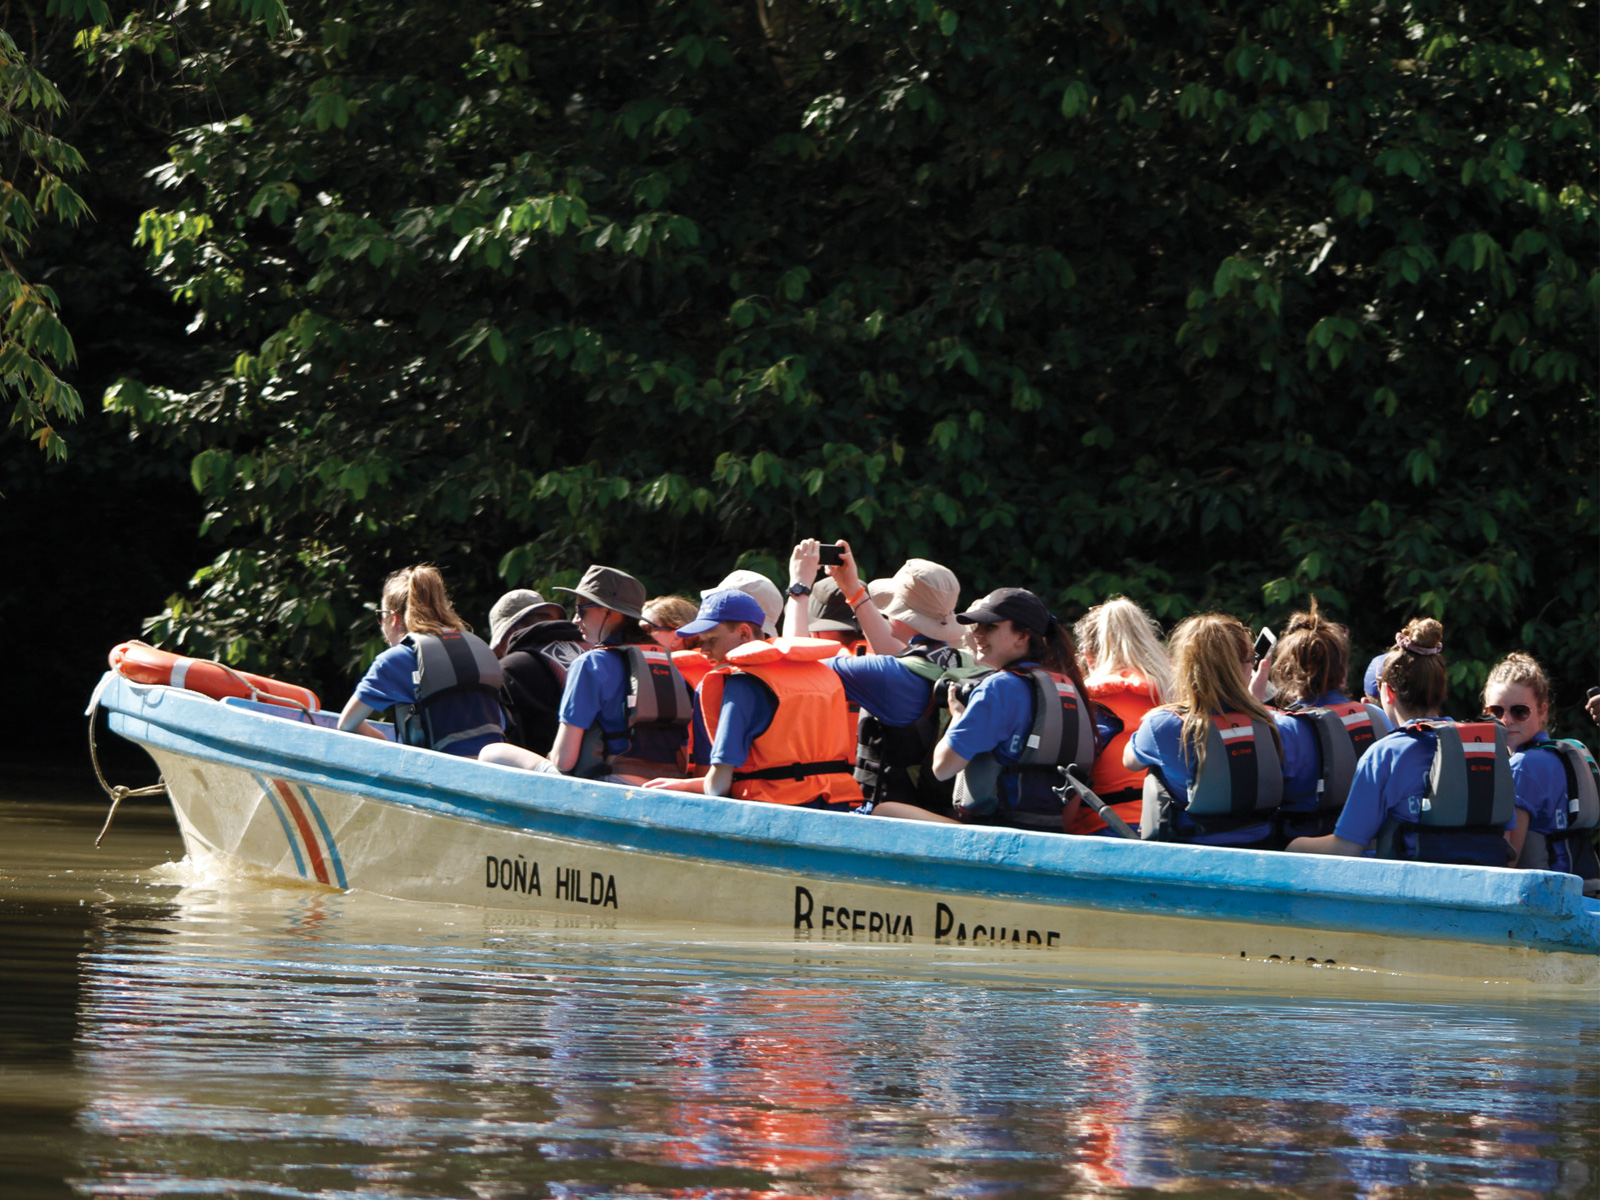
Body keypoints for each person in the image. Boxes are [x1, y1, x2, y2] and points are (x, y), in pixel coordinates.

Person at [1287, 619, 1516, 865]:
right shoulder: (1486, 746)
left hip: (1413, 894)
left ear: (1389, 691)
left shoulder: (1386, 754)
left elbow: (1346, 848)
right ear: (1441, 688)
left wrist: (1292, 845)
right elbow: (1507, 841)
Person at [873, 587, 1093, 831]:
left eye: (990, 626)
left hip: (993, 833)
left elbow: (943, 768)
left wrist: (957, 716)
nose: (977, 634)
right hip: (1050, 830)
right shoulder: (1066, 687)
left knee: (884, 810)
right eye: (976, 626)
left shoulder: (1001, 686)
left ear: (1022, 637)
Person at [645, 589, 864, 808]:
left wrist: (681, 787)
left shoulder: (742, 681)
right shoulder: (821, 672)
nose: (704, 650)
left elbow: (717, 786)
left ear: (743, 633)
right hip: (835, 803)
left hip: (773, 807)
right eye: (701, 641)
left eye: (712, 639)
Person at [481, 565, 692, 782]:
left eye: (581, 609)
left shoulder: (590, 664)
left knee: (493, 752)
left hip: (609, 784)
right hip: (667, 782)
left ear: (608, 612)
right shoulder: (668, 664)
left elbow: (564, 761)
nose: (575, 620)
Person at [1124, 613, 1298, 848]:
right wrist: (1252, 704)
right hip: (1263, 848)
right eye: (1251, 660)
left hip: (1192, 854)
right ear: (1241, 668)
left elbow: (1130, 762)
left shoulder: (1164, 725)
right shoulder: (1275, 723)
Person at [338, 565, 506, 756]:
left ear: (393, 618)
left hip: (441, 772)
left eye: (380, 616)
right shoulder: (480, 648)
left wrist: (386, 744)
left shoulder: (396, 659)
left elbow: (347, 724)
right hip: (491, 767)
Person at [1268, 599, 1392, 840]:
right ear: (1342, 671)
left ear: (1286, 673)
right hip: (1370, 841)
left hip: (1304, 845)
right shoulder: (1376, 716)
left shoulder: (1284, 729)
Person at [1066, 597, 1173, 836]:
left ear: (1088, 657)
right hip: (1168, 827)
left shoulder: (1089, 706)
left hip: (1105, 829)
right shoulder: (1176, 697)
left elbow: (1073, 780)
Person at [1484, 653, 1576, 873]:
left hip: (1543, 899)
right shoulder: (1557, 755)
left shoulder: (1522, 766)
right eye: (1496, 711)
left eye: (1520, 711)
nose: (1507, 721)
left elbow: (1507, 861)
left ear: (1542, 711)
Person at [488, 588, 589, 754]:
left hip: (549, 771)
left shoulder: (509, 669)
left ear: (510, 632)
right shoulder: (589, 652)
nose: (500, 653)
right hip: (606, 765)